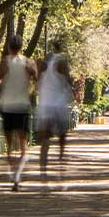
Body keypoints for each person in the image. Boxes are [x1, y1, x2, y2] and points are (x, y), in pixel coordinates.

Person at [0, 36, 37, 190]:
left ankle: (12, 172)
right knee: (23, 145)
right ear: (21, 47)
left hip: (6, 106)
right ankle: (17, 176)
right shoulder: (28, 62)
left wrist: (0, 85)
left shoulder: (5, 62)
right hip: (22, 106)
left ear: (8, 47)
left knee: (8, 144)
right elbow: (36, 78)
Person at [36, 42, 75, 180]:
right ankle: (60, 158)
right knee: (62, 134)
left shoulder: (44, 64)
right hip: (58, 104)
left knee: (45, 137)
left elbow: (37, 81)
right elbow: (68, 80)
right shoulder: (62, 62)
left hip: (45, 104)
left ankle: (43, 168)